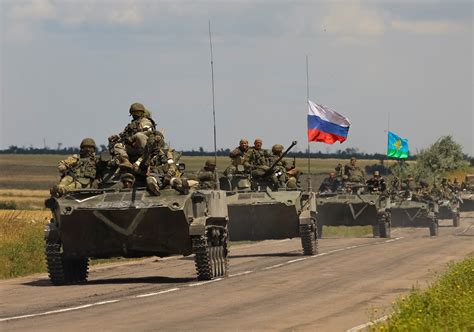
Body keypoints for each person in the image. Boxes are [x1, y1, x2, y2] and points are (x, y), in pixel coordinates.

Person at [108, 102, 157, 169]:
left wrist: (133, 137)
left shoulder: (145, 121)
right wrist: (117, 138)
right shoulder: (131, 125)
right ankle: (126, 161)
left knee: (139, 135)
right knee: (117, 145)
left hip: (145, 147)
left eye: (137, 112)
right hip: (134, 148)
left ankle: (147, 157)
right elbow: (124, 135)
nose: (135, 114)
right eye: (134, 113)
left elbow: (149, 132)